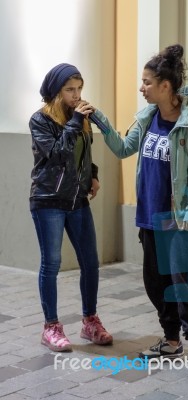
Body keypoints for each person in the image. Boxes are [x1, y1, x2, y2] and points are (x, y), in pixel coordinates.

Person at [85, 44, 188, 378]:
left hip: (179, 219)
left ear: (165, 86)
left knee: (184, 284)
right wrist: (98, 117)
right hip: (149, 217)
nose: (141, 88)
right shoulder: (147, 117)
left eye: (146, 82)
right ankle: (171, 341)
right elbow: (123, 148)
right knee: (156, 284)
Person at [29, 63, 113, 352]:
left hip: (77, 200)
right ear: (56, 92)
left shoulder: (79, 119)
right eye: (69, 90)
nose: (77, 95)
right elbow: (56, 156)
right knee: (51, 264)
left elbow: (82, 153)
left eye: (79, 89)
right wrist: (75, 121)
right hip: (48, 201)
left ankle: (90, 321)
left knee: (90, 262)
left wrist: (93, 174)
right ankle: (51, 327)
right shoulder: (39, 121)